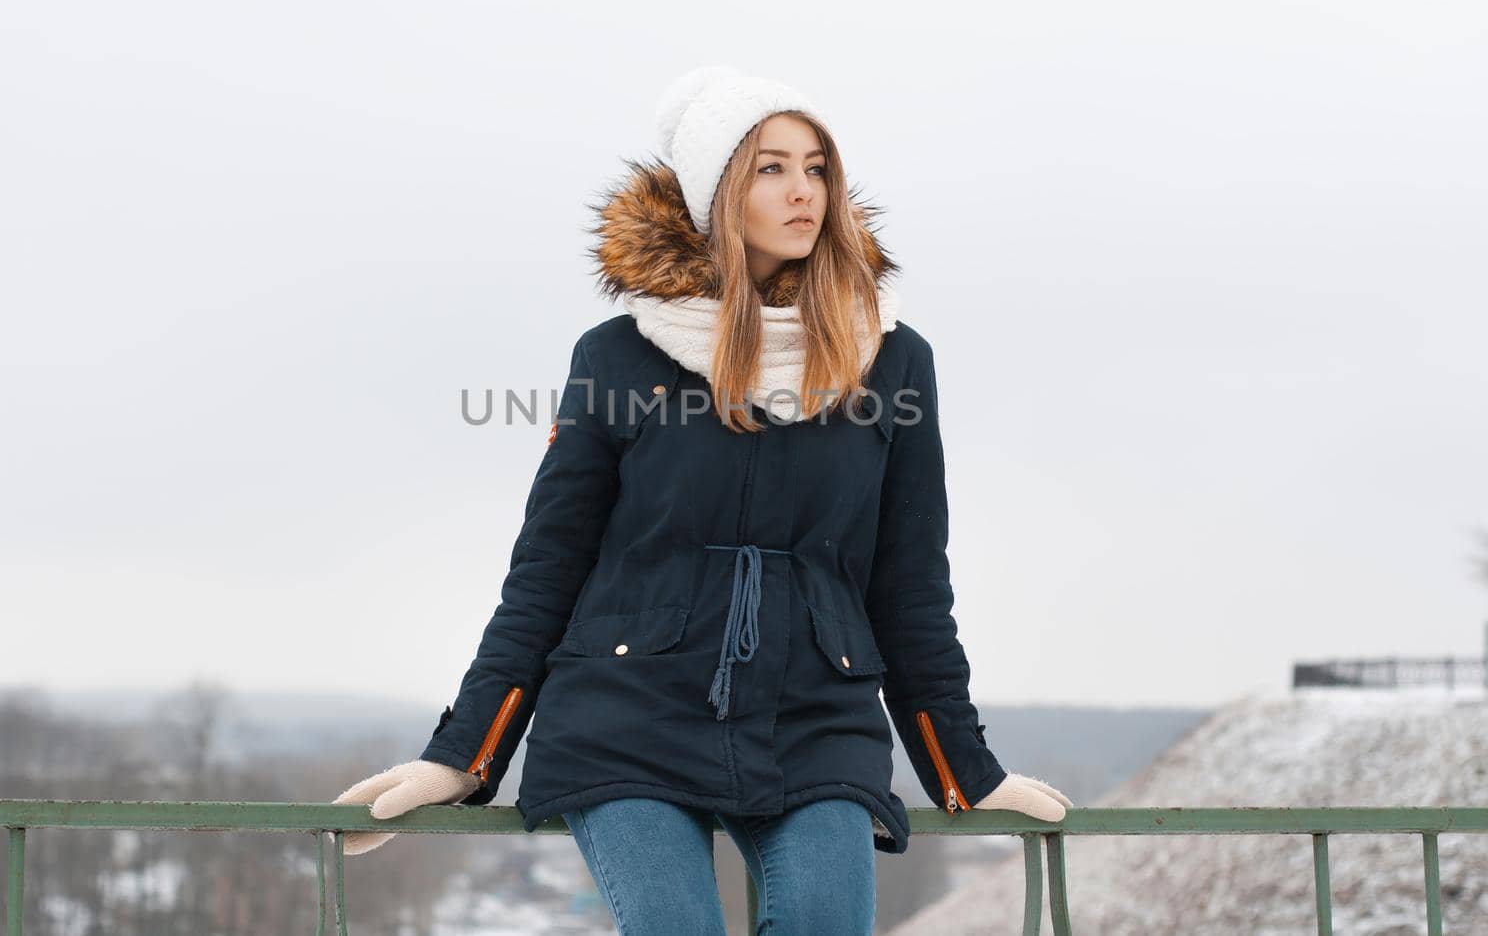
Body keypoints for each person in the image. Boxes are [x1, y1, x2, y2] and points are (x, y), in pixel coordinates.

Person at [333, 65, 1072, 934]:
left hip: (814, 722)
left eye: (817, 167)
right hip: (628, 717)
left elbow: (910, 584)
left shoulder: (893, 361)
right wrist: (463, 754)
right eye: (771, 168)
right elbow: (547, 570)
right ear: (718, 191)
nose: (805, 191)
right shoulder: (619, 357)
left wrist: (964, 769)